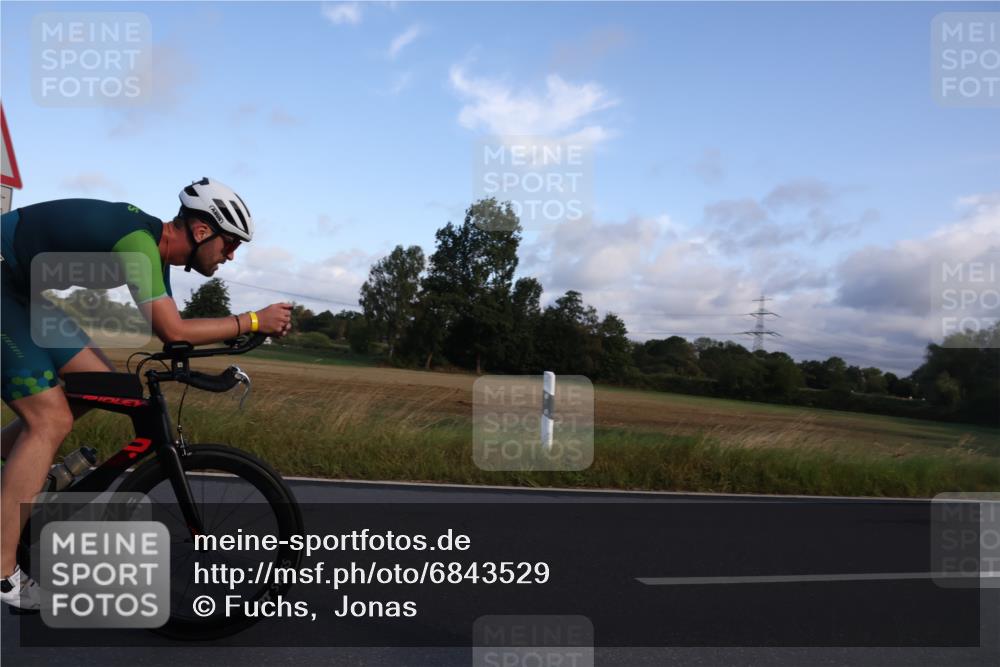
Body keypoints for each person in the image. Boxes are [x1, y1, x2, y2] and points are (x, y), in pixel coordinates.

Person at [0, 178, 293, 609]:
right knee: (51, 419)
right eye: (230, 244)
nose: (230, 256)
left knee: (98, 384)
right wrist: (251, 321)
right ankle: (3, 572)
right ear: (200, 231)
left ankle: (22, 474)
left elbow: (172, 340)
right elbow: (172, 329)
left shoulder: (157, 257)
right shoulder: (139, 244)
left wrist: (232, 346)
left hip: (19, 292)